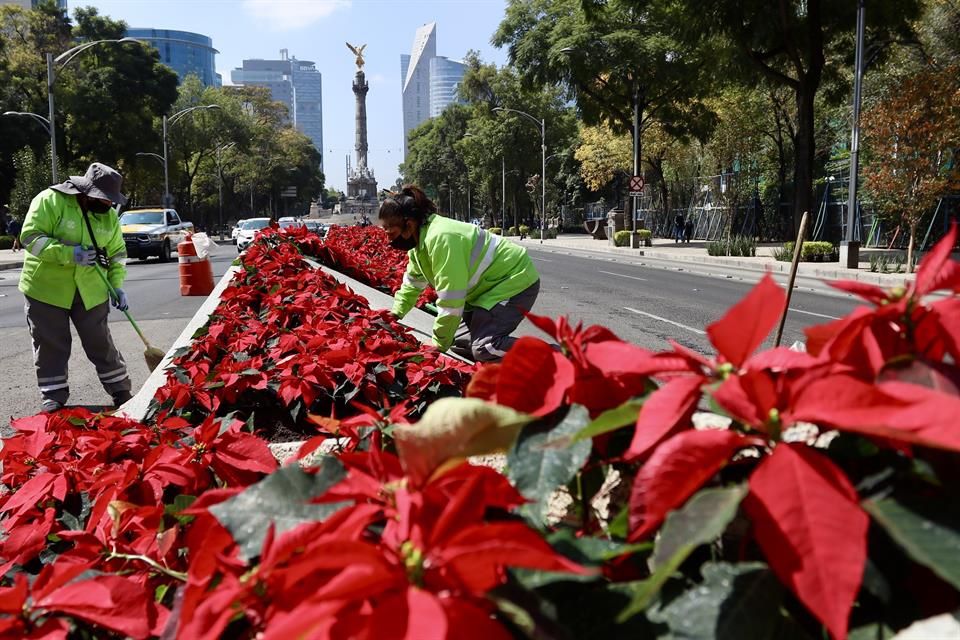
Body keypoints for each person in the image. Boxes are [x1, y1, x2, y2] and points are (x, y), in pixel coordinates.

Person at [18, 162, 133, 412]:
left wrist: (117, 286)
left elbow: (117, 254)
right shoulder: (50, 200)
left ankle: (120, 389)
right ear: (85, 192)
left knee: (100, 341)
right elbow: (30, 238)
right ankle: (53, 395)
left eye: (110, 201)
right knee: (51, 343)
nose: (108, 204)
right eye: (103, 199)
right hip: (46, 289)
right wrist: (69, 253)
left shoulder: (109, 216)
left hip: (91, 290)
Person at [380, 184, 540, 362]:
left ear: (409, 225)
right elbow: (413, 282)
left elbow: (452, 299)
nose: (389, 241)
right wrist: (395, 313)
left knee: (485, 349)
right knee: (459, 342)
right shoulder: (419, 244)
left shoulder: (441, 238)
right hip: (485, 290)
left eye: (391, 233)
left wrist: (437, 345)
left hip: (513, 280)